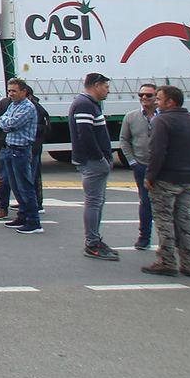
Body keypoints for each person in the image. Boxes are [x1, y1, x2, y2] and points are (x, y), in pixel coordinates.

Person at [143, 85, 190, 277]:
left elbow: (157, 151)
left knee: (164, 220)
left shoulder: (162, 121)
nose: (156, 102)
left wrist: (150, 176)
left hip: (167, 179)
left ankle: (167, 261)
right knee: (185, 221)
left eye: (159, 98)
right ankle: (189, 263)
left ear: (170, 102)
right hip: (188, 179)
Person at [69, 72, 117, 262]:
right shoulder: (84, 104)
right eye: (105, 86)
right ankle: (92, 242)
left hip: (95, 162)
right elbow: (85, 134)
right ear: (96, 85)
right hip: (93, 162)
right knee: (94, 202)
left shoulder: (87, 104)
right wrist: (101, 158)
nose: (107, 90)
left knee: (97, 201)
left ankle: (95, 239)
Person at [0, 79, 43, 235]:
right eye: (9, 91)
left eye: (14, 91)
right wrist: (5, 121)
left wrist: (5, 121)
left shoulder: (28, 107)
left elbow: (11, 124)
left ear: (24, 92)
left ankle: (33, 220)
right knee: (15, 186)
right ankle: (22, 215)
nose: (11, 94)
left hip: (21, 150)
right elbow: (2, 120)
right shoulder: (13, 105)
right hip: (10, 149)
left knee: (25, 186)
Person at [121, 84, 158, 252]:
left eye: (148, 95)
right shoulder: (131, 116)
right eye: (141, 95)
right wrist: (132, 162)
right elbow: (124, 140)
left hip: (161, 167)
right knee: (145, 202)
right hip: (141, 165)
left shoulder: (164, 117)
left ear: (156, 97)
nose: (144, 98)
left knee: (166, 203)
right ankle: (144, 237)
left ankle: (170, 237)